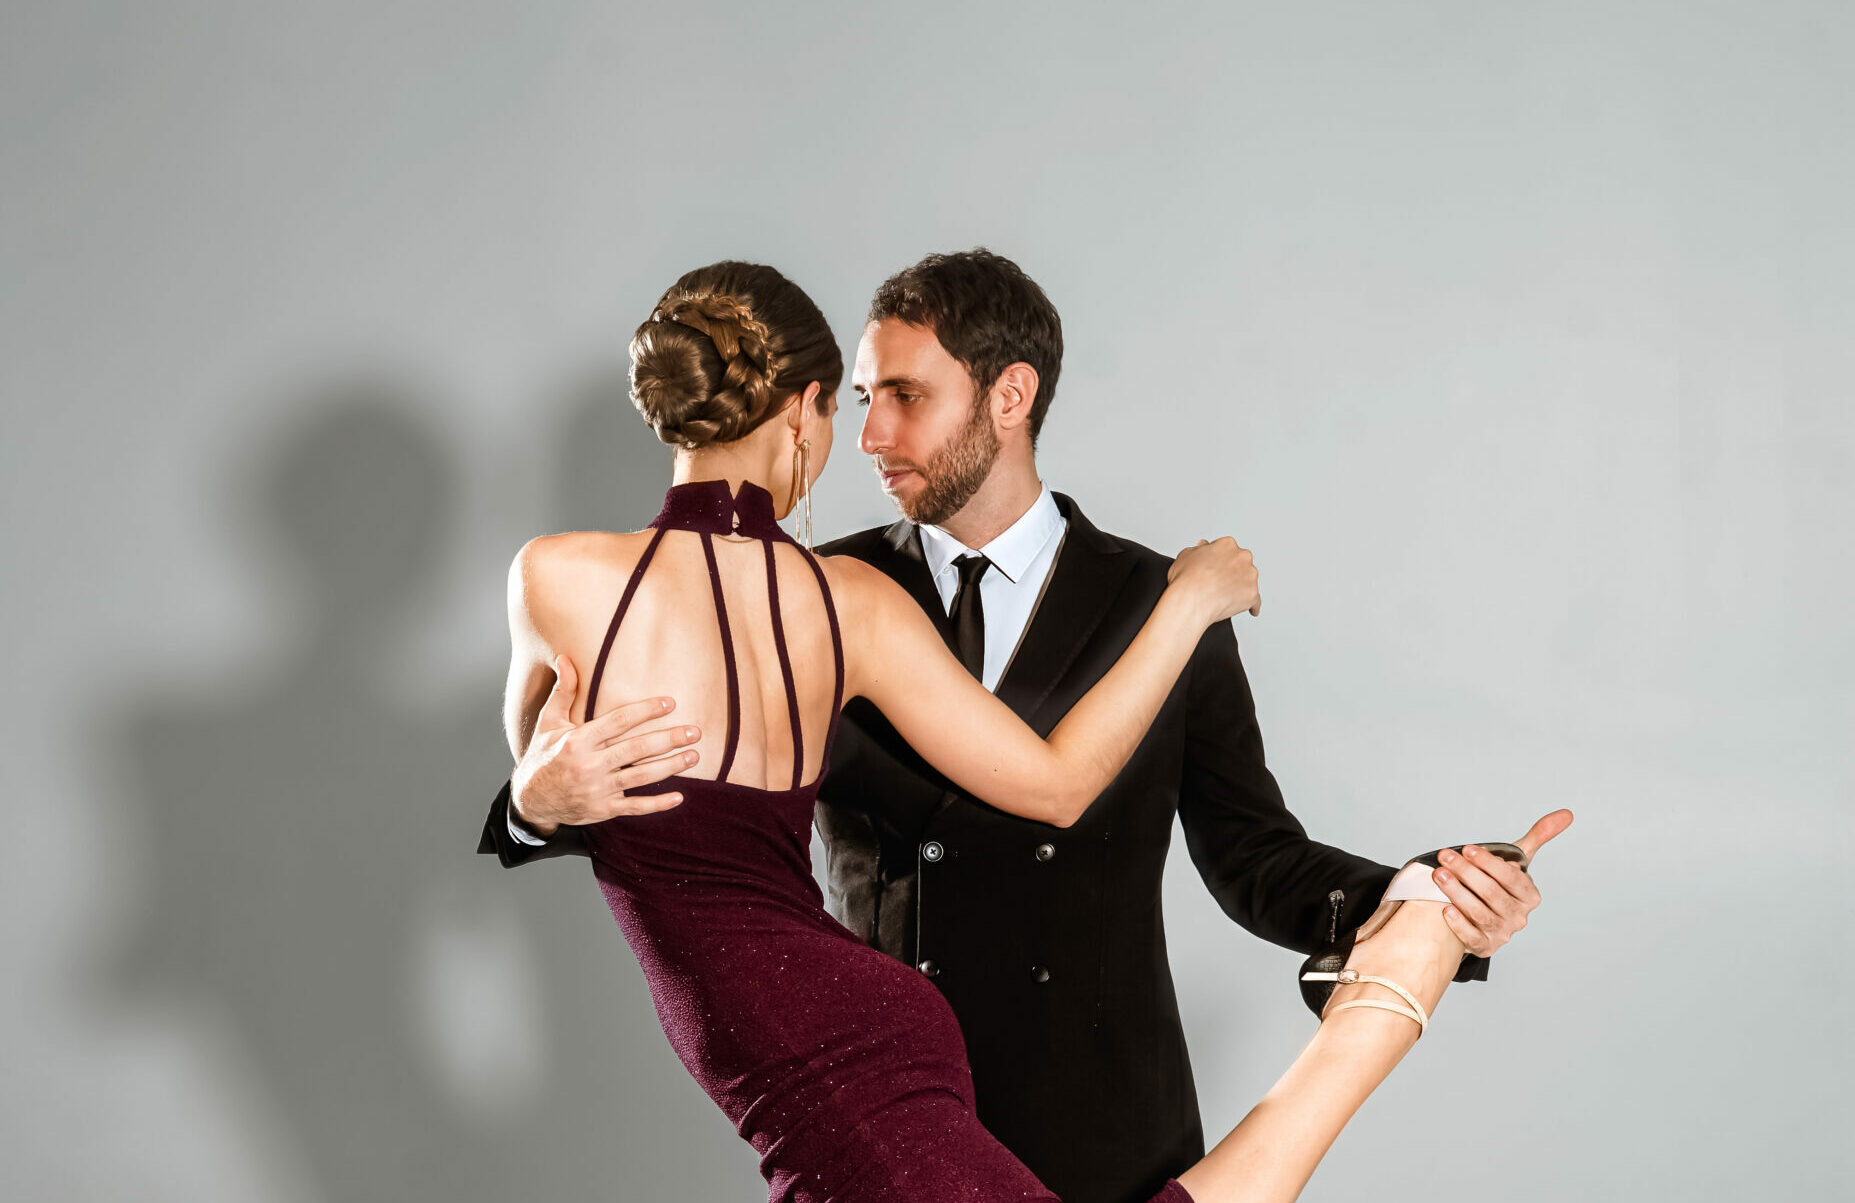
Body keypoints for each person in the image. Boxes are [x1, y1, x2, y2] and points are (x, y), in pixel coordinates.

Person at [484, 252, 1563, 1202]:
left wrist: (1424, 896)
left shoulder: (1145, 603)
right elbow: (678, 808)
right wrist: (530, 808)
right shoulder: (819, 592)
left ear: (1010, 395)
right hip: (887, 1109)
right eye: (858, 399)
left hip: (1108, 1133)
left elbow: (1253, 858)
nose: (868, 436)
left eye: (903, 397)